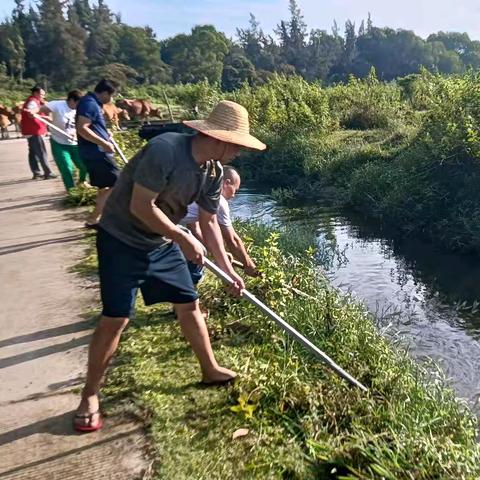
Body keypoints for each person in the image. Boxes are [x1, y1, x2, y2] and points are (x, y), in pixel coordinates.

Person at [73, 100, 266, 432]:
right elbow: (140, 205)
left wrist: (228, 270)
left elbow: (209, 225)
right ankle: (89, 395)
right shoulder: (165, 150)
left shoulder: (213, 172)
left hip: (160, 243)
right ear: (220, 139)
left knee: (189, 304)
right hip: (121, 239)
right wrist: (181, 237)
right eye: (237, 146)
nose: (238, 153)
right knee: (116, 318)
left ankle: (210, 369)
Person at [182, 166, 258, 286]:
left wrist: (219, 252)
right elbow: (232, 240)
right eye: (235, 190)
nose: (234, 195)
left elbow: (195, 229)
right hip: (163, 229)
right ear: (227, 183)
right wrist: (249, 264)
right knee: (198, 255)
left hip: (157, 225)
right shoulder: (219, 201)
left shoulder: (199, 189)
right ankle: (186, 291)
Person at [76, 79, 120, 228]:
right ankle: (102, 218)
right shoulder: (89, 104)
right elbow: (82, 128)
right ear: (105, 93)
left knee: (105, 187)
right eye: (112, 96)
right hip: (96, 153)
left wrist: (105, 134)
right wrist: (104, 143)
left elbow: (92, 127)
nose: (111, 100)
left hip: (97, 151)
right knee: (118, 182)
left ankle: (95, 219)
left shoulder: (92, 103)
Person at [33, 90, 88, 191]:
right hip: (59, 142)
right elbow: (40, 109)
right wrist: (33, 112)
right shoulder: (57, 105)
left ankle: (82, 181)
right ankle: (71, 191)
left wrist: (76, 133)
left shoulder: (81, 109)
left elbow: (85, 124)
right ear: (71, 100)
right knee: (66, 168)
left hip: (75, 142)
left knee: (84, 165)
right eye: (78, 103)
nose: (79, 106)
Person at [21, 85, 57, 180]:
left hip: (30, 130)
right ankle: (48, 173)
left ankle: (36, 173)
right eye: (42, 94)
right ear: (36, 93)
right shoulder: (32, 102)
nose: (43, 96)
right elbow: (31, 114)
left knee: (33, 152)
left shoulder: (33, 101)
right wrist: (46, 117)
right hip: (34, 131)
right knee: (41, 152)